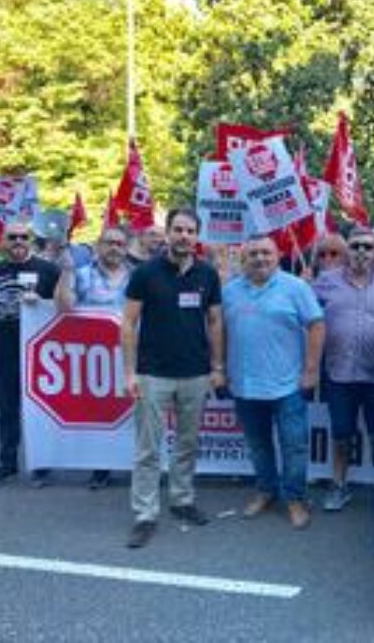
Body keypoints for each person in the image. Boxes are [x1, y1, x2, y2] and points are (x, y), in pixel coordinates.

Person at [121, 208, 225, 548]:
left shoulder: (208, 275)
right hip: (153, 374)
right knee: (148, 449)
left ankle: (182, 500)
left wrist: (218, 366)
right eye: (178, 229)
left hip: (195, 373)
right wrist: (129, 372)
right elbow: (128, 324)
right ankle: (145, 514)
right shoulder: (145, 273)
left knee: (187, 443)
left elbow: (215, 322)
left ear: (197, 236)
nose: (184, 236)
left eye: (190, 231)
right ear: (167, 233)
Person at [223, 235, 324, 529]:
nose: (260, 258)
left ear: (278, 255)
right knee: (258, 445)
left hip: (288, 385)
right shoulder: (230, 292)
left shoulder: (296, 287)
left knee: (294, 446)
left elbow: (317, 325)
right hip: (244, 385)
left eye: (266, 252)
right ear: (243, 259)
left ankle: (294, 498)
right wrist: (219, 367)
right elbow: (220, 330)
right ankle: (266, 491)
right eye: (253, 253)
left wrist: (311, 370)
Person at [0, 221, 60, 488]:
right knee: (8, 410)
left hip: (42, 355)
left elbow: (67, 305)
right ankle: (7, 464)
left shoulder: (48, 270)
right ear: (2, 241)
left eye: (24, 236)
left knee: (42, 410)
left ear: (32, 240)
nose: (19, 241)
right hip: (3, 352)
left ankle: (42, 465)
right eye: (13, 237)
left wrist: (44, 303)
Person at [313, 226, 374, 511]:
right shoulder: (325, 281)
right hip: (339, 373)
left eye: (367, 247)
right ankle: (338, 486)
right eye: (356, 246)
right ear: (347, 249)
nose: (361, 252)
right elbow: (309, 317)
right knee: (341, 434)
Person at [56, 225, 133, 489]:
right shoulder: (82, 275)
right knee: (101, 415)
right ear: (99, 246)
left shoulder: (138, 277)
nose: (114, 248)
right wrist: (66, 272)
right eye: (109, 243)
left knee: (132, 413)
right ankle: (101, 468)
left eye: (120, 244)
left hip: (129, 356)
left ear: (127, 248)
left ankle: (134, 466)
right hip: (93, 360)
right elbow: (65, 306)